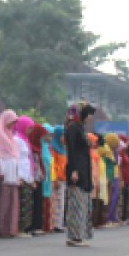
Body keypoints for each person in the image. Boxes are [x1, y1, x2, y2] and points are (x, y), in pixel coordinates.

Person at [64, 103, 95, 246]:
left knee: (82, 204)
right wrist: (74, 170)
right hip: (76, 170)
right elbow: (71, 151)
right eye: (88, 114)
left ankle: (78, 234)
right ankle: (75, 236)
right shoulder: (73, 128)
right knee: (77, 204)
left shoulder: (81, 129)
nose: (90, 118)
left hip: (84, 170)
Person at [0, 110, 21, 238]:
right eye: (11, 122)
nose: (12, 125)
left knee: (12, 200)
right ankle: (1, 228)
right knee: (3, 199)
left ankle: (11, 228)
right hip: (4, 169)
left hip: (13, 170)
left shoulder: (10, 135)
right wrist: (1, 170)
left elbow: (15, 153)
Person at [13, 115, 37, 237]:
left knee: (27, 203)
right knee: (21, 203)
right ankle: (19, 228)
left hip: (27, 174)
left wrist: (31, 178)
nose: (29, 131)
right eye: (28, 128)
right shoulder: (16, 139)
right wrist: (18, 175)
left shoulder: (25, 140)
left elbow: (29, 160)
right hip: (21, 174)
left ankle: (24, 228)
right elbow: (16, 158)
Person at [49, 124, 68, 234]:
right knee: (56, 202)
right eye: (62, 136)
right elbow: (53, 165)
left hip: (63, 179)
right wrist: (55, 178)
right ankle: (55, 224)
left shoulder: (63, 149)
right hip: (56, 179)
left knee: (61, 202)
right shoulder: (54, 149)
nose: (64, 139)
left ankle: (59, 223)